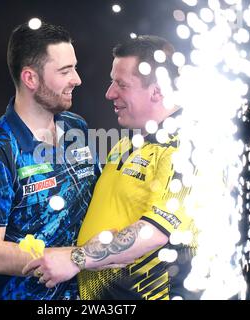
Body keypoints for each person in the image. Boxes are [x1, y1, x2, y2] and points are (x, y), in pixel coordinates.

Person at [23, 35, 199, 300]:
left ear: (158, 90)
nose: (109, 93)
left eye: (121, 84)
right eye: (112, 81)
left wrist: (75, 259)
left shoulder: (188, 147)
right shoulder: (127, 143)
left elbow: (155, 232)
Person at [0, 22, 100, 300]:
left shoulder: (77, 128)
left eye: (74, 67)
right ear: (30, 78)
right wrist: (72, 258)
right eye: (65, 71)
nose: (77, 79)